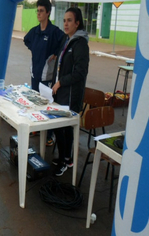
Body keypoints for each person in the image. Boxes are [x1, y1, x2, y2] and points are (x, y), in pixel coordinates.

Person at [52, 7, 90, 176]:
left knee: (65, 128)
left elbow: (80, 73)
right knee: (60, 127)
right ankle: (64, 158)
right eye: (64, 20)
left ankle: (66, 160)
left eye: (69, 20)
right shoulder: (67, 40)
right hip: (61, 92)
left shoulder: (80, 44)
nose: (66, 23)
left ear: (77, 23)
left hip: (72, 94)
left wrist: (60, 82)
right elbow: (61, 66)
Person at [24, 0, 65, 146]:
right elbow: (26, 40)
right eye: (38, 10)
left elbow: (65, 42)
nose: (38, 13)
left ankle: (49, 134)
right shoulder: (34, 31)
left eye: (41, 11)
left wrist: (55, 53)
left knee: (46, 104)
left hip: (47, 76)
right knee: (35, 102)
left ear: (48, 13)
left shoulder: (54, 31)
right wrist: (35, 50)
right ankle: (36, 128)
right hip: (35, 74)